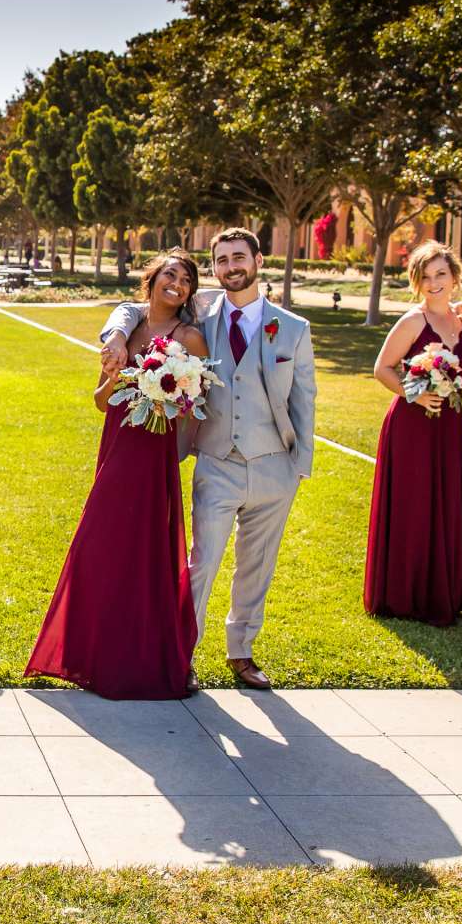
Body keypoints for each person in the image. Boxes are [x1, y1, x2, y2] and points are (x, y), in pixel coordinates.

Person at [100, 226, 315, 689]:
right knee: (201, 562)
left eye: (240, 257)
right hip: (216, 459)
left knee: (257, 564)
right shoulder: (198, 316)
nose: (232, 267)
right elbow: (132, 307)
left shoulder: (293, 328)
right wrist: (116, 334)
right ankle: (183, 652)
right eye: (222, 260)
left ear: (258, 261)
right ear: (215, 267)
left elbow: (305, 399)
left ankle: (242, 651)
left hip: (274, 464)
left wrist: (299, 467)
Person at [30, 250, 203, 698]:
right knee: (100, 541)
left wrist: (164, 389)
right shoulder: (125, 331)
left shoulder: (190, 337)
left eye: (186, 280)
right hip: (117, 443)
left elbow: (193, 403)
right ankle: (91, 650)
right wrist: (120, 373)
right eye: (170, 274)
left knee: (146, 547)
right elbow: (100, 400)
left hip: (152, 448)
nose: (177, 284)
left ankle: (147, 654)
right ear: (151, 279)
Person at [362, 241, 462, 628]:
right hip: (413, 424)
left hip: (450, 425)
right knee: (414, 504)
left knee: (446, 501)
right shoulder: (413, 321)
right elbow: (382, 368)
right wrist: (416, 393)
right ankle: (405, 594)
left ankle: (445, 589)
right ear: (416, 282)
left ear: (454, 277)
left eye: (441, 274)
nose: (434, 283)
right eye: (425, 276)